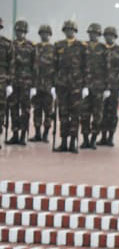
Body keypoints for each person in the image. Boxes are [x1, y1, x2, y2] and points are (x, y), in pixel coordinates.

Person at [54, 20, 89, 153]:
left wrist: (85, 86)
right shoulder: (58, 45)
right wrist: (54, 84)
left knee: (75, 114)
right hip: (62, 85)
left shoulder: (81, 46)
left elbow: (86, 67)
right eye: (67, 29)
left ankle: (73, 142)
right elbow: (54, 66)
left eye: (71, 30)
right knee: (63, 114)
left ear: (75, 31)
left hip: (76, 85)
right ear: (64, 31)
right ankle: (63, 141)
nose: (69, 32)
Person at [7, 20, 35, 146]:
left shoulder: (31, 46)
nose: (20, 33)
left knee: (25, 110)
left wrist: (33, 85)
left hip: (26, 82)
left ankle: (23, 135)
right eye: (18, 31)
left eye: (22, 31)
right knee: (13, 108)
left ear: (26, 32)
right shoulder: (11, 45)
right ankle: (15, 134)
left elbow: (35, 66)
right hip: (13, 82)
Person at [29, 24, 56, 143]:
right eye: (42, 33)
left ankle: (45, 134)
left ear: (49, 35)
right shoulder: (35, 47)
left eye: (46, 33)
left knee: (48, 111)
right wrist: (32, 85)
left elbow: (57, 67)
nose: (44, 35)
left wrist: (55, 86)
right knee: (37, 110)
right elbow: (31, 66)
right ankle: (37, 133)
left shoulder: (54, 49)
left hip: (49, 85)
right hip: (37, 85)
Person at [0, 18, 10, 148]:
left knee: (0, 110)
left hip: (1, 80)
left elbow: (11, 64)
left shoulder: (6, 44)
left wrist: (10, 83)